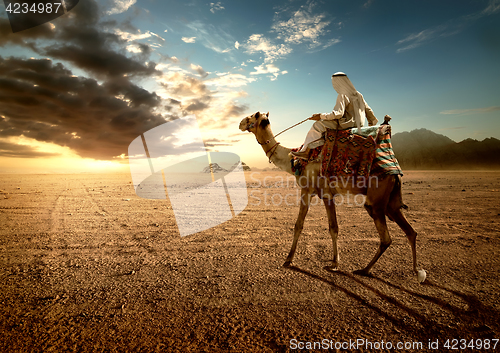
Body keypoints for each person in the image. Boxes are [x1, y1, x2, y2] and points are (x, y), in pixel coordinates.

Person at [291, 72, 378, 159]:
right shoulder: (358, 94)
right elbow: (368, 110)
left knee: (318, 125)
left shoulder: (343, 94)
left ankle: (305, 151)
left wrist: (320, 116)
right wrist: (372, 124)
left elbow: (338, 114)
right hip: (359, 125)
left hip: (345, 125)